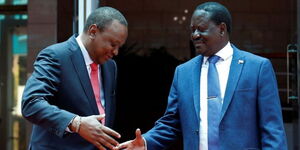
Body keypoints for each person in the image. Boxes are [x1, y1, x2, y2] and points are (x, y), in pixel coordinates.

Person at [115, 2, 287, 150]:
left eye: (201, 29)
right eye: (192, 30)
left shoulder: (257, 67)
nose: (195, 35)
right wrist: (145, 142)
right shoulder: (183, 72)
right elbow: (171, 123)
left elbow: (272, 129)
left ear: (222, 29)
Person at [22, 7, 128, 150]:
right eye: (113, 44)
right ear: (93, 31)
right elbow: (31, 103)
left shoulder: (110, 67)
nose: (115, 52)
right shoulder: (56, 56)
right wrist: (76, 123)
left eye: (119, 47)